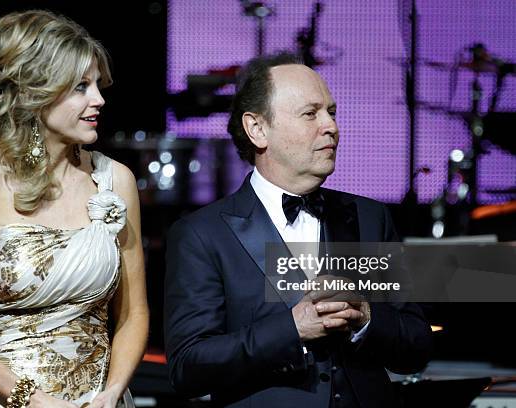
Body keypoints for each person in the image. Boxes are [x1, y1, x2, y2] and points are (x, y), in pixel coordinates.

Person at [164, 52, 432, 407]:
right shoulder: (202, 235)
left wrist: (366, 316)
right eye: (311, 114)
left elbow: (416, 347)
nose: (332, 127)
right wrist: (292, 329)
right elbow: (188, 367)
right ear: (258, 129)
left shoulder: (369, 218)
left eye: (331, 113)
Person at [0, 10, 148, 408]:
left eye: (98, 84)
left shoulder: (116, 182)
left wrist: (113, 392)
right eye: (81, 86)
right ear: (36, 92)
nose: (98, 99)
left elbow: (133, 314)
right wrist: (35, 401)